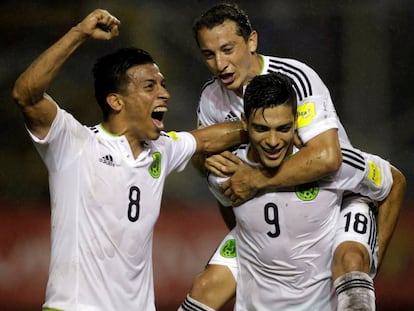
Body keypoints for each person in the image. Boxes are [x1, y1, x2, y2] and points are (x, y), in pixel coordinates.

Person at [11, 9, 246, 311]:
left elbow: (208, 138)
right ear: (116, 101)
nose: (165, 94)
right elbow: (26, 95)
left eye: (162, 84)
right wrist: (79, 33)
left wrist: (268, 125)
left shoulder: (160, 148)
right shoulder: (75, 143)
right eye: (150, 86)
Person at [179, 3, 403, 311]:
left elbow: (327, 158)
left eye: (228, 49)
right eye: (208, 54)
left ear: (252, 41)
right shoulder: (211, 99)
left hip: (335, 199)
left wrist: (254, 179)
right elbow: (220, 177)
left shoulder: (295, 78)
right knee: (206, 287)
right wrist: (214, 173)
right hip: (274, 210)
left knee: (351, 261)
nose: (220, 63)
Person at [206, 73, 405, 310]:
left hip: (325, 301)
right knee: (204, 287)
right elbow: (227, 203)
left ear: (296, 122)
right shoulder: (226, 171)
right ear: (245, 123)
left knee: (352, 259)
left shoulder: (332, 163)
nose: (273, 141)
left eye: (283, 128)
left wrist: (370, 266)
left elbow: (394, 182)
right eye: (261, 128)